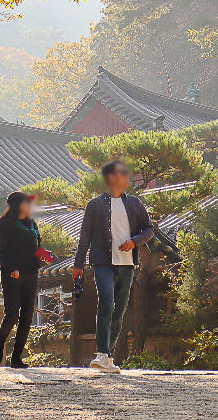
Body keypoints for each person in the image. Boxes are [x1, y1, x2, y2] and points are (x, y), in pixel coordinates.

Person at [71, 160, 154, 374]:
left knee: (119, 311)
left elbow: (149, 228)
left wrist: (134, 241)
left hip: (127, 265)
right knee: (106, 303)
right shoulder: (95, 205)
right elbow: (85, 236)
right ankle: (101, 354)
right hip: (103, 263)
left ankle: (108, 356)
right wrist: (78, 265)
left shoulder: (134, 203)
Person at [0, 191, 54, 367]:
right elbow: (3, 251)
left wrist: (44, 256)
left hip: (31, 274)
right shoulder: (5, 225)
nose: (30, 207)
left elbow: (36, 247)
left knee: (27, 317)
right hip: (12, 275)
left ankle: (16, 357)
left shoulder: (32, 225)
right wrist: (12, 268)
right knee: (12, 314)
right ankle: (0, 343)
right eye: (27, 203)